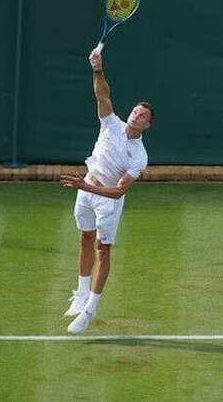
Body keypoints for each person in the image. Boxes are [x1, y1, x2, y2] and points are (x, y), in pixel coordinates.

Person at [58, 50, 153, 336]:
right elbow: (102, 96)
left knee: (102, 248)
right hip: (86, 187)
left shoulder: (140, 156)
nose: (137, 115)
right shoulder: (110, 122)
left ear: (147, 125)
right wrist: (97, 69)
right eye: (136, 111)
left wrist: (84, 186)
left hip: (105, 200)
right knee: (85, 237)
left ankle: (90, 310)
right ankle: (81, 293)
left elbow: (118, 192)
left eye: (143, 116)